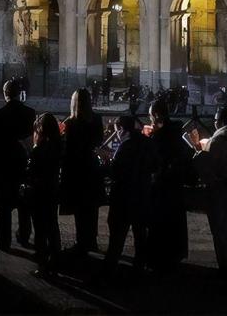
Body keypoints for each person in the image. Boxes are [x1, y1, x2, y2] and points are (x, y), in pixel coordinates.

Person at [191, 102, 227, 280]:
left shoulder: (218, 140)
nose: (214, 122)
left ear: (221, 120)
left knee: (220, 228)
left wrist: (198, 154)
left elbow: (210, 169)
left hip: (220, 189)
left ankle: (224, 265)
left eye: (216, 119)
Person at [103, 115, 160, 276]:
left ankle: (110, 268)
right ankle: (139, 267)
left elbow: (116, 172)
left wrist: (107, 161)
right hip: (142, 194)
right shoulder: (147, 143)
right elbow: (156, 165)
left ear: (121, 129)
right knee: (140, 234)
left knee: (117, 237)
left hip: (123, 197)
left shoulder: (124, 146)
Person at [0, 78, 36, 250]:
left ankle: (4, 241)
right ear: (19, 93)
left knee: (4, 208)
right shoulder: (30, 113)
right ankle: (24, 235)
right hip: (23, 163)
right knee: (24, 205)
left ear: (5, 94)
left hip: (3, 166)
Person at [145, 97, 192, 273]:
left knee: (159, 220)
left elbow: (155, 159)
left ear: (156, 115)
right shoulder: (176, 132)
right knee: (174, 220)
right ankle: (174, 253)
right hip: (175, 182)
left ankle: (158, 256)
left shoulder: (160, 136)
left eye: (150, 116)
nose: (149, 119)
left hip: (162, 182)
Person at [60, 87, 105, 256]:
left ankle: (81, 242)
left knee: (79, 208)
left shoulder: (70, 123)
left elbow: (67, 148)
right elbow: (99, 141)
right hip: (91, 166)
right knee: (92, 207)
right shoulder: (97, 119)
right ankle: (91, 240)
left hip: (75, 169)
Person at [25, 112, 63, 278]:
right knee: (52, 227)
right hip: (52, 189)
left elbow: (31, 172)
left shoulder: (38, 150)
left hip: (39, 192)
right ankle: (55, 261)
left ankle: (42, 265)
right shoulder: (59, 145)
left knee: (40, 230)